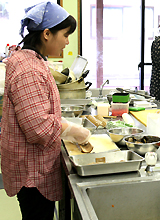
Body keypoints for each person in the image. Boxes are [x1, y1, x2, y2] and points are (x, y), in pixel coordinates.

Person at [0, 2, 91, 219]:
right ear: (47, 34)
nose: (67, 42)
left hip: (32, 164)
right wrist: (74, 130)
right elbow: (37, 127)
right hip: (32, 171)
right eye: (66, 35)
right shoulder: (28, 70)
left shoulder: (33, 60)